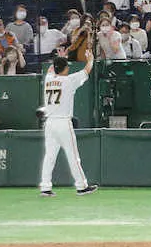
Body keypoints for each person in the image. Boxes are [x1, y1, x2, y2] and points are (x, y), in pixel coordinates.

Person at [39, 46, 98, 197]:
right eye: (66, 67)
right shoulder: (69, 81)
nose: (68, 69)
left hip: (50, 123)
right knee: (73, 156)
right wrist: (90, 59)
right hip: (63, 123)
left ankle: (45, 187)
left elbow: (51, 69)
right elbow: (86, 71)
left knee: (49, 156)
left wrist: (61, 59)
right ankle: (81, 186)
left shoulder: (48, 79)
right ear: (64, 69)